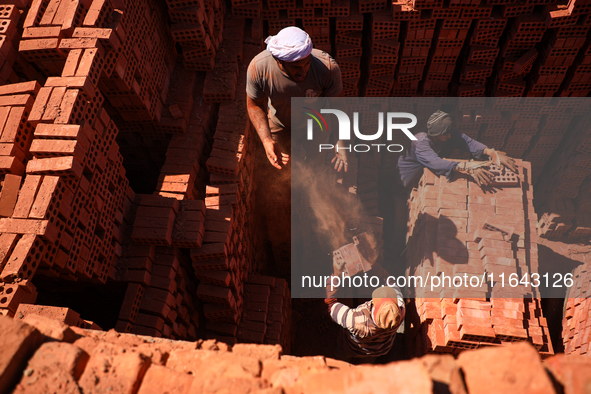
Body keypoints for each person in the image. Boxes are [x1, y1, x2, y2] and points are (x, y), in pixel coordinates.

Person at [246, 26, 344, 171]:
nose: (303, 71)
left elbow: (338, 107)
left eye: (307, 63)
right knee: (280, 166)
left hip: (316, 125)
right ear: (279, 61)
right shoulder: (260, 68)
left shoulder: (327, 68)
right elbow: (254, 104)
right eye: (296, 67)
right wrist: (267, 140)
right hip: (280, 125)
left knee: (315, 165)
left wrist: (341, 141)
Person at [397, 110, 518, 188]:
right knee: (405, 193)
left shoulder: (446, 133)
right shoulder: (420, 142)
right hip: (409, 172)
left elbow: (467, 141)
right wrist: (466, 167)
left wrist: (490, 151)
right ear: (437, 134)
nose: (449, 136)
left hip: (426, 162)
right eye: (446, 134)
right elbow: (435, 162)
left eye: (449, 133)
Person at [325, 262, 405, 364]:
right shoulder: (399, 311)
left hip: (351, 349)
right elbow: (393, 284)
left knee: (342, 358)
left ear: (374, 310)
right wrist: (374, 265)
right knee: (368, 362)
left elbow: (329, 305)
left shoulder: (355, 320)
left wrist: (335, 275)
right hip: (380, 349)